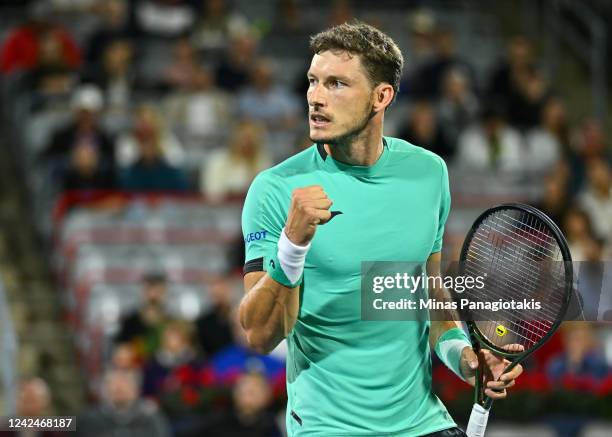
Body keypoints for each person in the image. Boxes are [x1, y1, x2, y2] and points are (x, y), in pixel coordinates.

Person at [239, 22, 523, 436]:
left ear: (381, 96)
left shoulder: (429, 173)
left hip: (423, 423)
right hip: (329, 427)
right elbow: (260, 336)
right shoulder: (276, 189)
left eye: (336, 84)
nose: (316, 98)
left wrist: (466, 358)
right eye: (313, 82)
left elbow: (428, 297)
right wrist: (292, 245)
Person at [77, 369, 171, 437]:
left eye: (125, 384)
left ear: (136, 390)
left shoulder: (151, 417)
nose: (119, 389)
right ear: (104, 390)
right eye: (113, 385)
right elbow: (64, 424)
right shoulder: (88, 417)